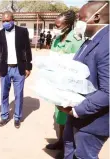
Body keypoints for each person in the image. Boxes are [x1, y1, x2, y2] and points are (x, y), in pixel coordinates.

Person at [56, 1, 109, 159]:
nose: (77, 22)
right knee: (69, 151)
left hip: (92, 122)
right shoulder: (90, 40)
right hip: (76, 116)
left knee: (84, 155)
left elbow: (108, 91)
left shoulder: (107, 44)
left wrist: (77, 111)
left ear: (97, 17)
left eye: (81, 18)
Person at [45, 10, 84, 159]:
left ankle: (70, 146)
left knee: (70, 116)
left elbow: (80, 65)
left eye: (59, 25)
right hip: (57, 83)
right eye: (56, 25)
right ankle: (61, 141)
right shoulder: (57, 39)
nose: (57, 27)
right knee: (59, 115)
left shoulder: (76, 40)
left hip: (71, 85)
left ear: (68, 25)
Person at [0, 11, 32, 128]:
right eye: (3, 21)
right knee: (4, 94)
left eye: (7, 20)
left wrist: (28, 66)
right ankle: (4, 116)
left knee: (19, 95)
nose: (5, 23)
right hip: (5, 69)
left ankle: (17, 118)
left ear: (13, 20)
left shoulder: (22, 32)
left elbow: (27, 49)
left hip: (19, 69)